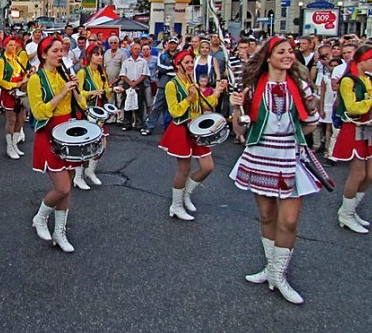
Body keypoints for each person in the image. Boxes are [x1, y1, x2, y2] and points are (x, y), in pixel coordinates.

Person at [229, 37, 321, 305]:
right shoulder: (253, 87)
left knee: (289, 220)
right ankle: (271, 269)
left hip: (289, 155)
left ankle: (279, 274)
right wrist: (236, 108)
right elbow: (240, 130)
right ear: (268, 57)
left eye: (290, 51)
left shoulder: (301, 86)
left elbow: (312, 122)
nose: (288, 55)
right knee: (267, 215)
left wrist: (292, 138)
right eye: (281, 52)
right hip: (260, 154)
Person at [329, 45, 372, 234]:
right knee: (357, 174)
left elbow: (368, 102)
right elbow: (352, 108)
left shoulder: (368, 79)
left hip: (368, 127)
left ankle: (349, 210)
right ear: (361, 61)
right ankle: (346, 214)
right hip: (353, 128)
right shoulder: (347, 81)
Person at [28, 36, 87, 253]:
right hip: (49, 134)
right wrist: (62, 93)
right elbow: (39, 112)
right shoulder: (36, 79)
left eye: (62, 50)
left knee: (67, 189)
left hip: (68, 134)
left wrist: (76, 89)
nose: (60, 54)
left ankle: (59, 233)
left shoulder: (64, 75)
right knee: (62, 187)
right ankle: (40, 217)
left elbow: (82, 104)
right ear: (43, 55)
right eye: (55, 51)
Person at [159, 48, 225, 221]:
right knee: (184, 169)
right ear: (178, 64)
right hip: (181, 128)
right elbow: (174, 111)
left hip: (197, 129)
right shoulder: (171, 85)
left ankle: (186, 195)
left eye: (191, 62)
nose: (190, 65)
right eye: (187, 62)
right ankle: (176, 206)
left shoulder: (192, 81)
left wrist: (217, 92)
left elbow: (206, 105)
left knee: (207, 166)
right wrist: (189, 97)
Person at [74, 42, 112, 190]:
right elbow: (77, 93)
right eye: (96, 54)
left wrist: (113, 89)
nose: (100, 57)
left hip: (99, 113)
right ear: (89, 56)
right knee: (84, 146)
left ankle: (90, 171)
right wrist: (92, 93)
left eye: (101, 54)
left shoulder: (101, 73)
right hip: (86, 112)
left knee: (101, 146)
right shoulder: (83, 72)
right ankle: (78, 177)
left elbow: (106, 91)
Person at [0, 36, 30, 160]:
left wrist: (26, 76)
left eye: (14, 45)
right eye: (10, 45)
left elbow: (21, 73)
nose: (13, 47)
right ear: (4, 46)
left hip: (20, 91)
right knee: (11, 120)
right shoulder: (1, 61)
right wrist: (14, 85)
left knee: (21, 118)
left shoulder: (17, 58)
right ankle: (9, 147)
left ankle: (15, 144)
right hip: (9, 92)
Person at [120, 42, 151, 134]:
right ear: (131, 50)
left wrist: (136, 83)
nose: (137, 50)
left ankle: (139, 124)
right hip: (128, 84)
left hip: (139, 84)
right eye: (135, 49)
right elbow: (123, 74)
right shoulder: (126, 62)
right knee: (127, 104)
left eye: (138, 49)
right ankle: (127, 123)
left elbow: (144, 74)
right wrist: (130, 83)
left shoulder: (143, 61)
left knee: (139, 105)